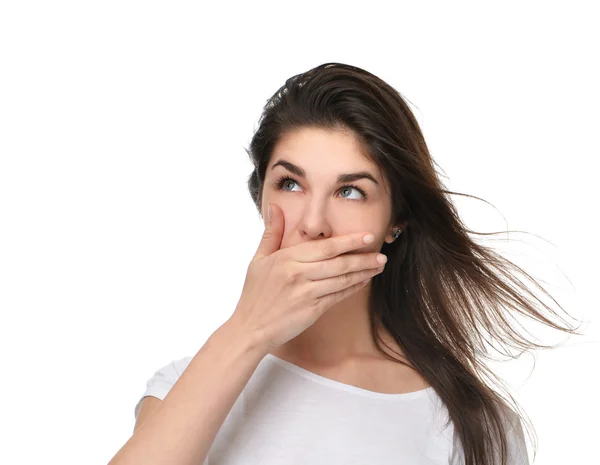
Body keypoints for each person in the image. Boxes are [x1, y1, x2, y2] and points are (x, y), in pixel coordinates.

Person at [109, 63, 583, 465]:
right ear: (261, 196)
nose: (313, 224)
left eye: (350, 191)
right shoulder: (190, 386)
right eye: (290, 184)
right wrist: (247, 330)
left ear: (395, 220)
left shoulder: (475, 424)